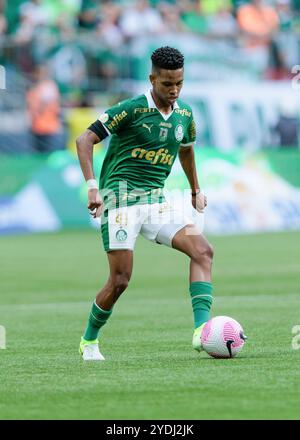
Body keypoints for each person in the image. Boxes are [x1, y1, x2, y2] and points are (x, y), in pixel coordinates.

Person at [76, 46, 214, 361]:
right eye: (167, 84)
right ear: (152, 78)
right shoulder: (131, 109)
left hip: (156, 200)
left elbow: (186, 149)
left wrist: (195, 190)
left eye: (179, 83)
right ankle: (89, 340)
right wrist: (93, 188)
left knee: (203, 250)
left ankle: (202, 332)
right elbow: (84, 140)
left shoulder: (184, 114)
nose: (174, 90)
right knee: (121, 279)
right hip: (120, 198)